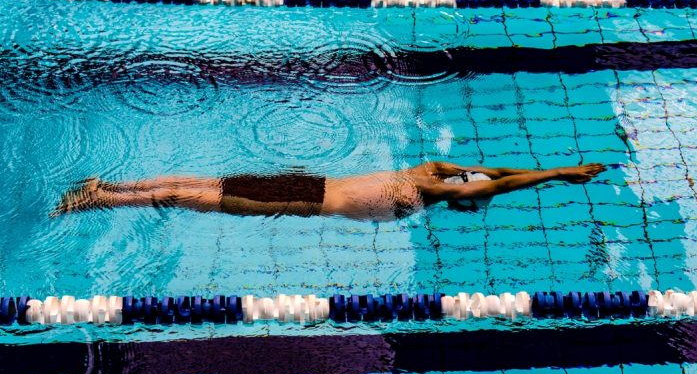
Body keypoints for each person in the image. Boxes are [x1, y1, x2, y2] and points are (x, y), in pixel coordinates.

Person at [53, 162, 606, 220]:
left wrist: (559, 166)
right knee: (198, 198)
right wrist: (559, 175)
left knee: (206, 182)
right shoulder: (427, 196)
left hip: (310, 182)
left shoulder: (429, 170)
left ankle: (107, 186)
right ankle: (99, 200)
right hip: (307, 201)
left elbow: (493, 174)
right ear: (458, 197)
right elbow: (503, 184)